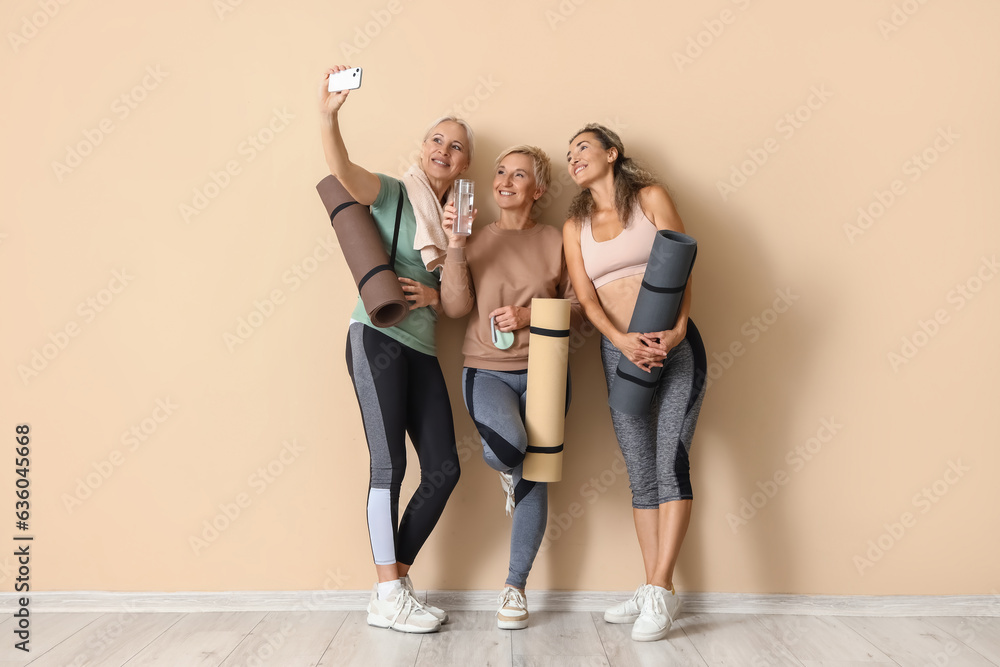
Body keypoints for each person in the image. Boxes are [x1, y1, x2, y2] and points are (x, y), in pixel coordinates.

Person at [318, 65, 473, 634]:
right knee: (390, 464)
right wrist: (329, 117)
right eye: (437, 138)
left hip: (424, 350)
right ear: (423, 147)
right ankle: (388, 592)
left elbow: (456, 306)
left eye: (456, 146)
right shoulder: (391, 191)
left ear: (465, 164)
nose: (444, 149)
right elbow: (341, 172)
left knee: (444, 468)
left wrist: (442, 273)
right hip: (377, 338)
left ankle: (393, 586)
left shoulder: (461, 218)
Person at [562, 124, 707, 642]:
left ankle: (661, 590)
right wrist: (620, 342)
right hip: (618, 351)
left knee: (670, 461)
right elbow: (587, 298)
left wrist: (681, 326)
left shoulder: (650, 197)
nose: (574, 157)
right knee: (640, 470)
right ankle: (652, 587)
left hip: (674, 348)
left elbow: (685, 264)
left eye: (583, 147)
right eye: (569, 153)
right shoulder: (574, 224)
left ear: (611, 153)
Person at [439, 145, 581, 630]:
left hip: (547, 369)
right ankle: (508, 469)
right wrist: (456, 243)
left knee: (534, 480)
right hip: (487, 369)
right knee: (511, 450)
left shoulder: (557, 240)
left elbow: (581, 310)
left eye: (519, 175)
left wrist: (529, 315)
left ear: (537, 190)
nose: (505, 180)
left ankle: (515, 588)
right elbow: (455, 309)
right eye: (500, 171)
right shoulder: (476, 240)